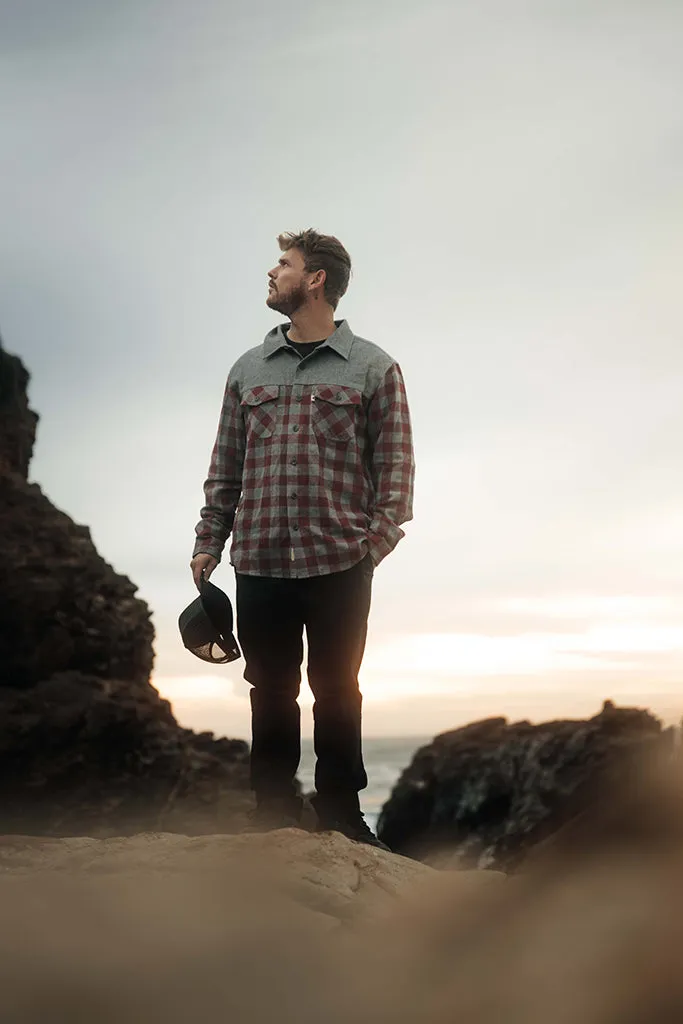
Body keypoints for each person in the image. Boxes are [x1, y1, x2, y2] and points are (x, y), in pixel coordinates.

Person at [189, 229, 415, 848]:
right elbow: (225, 464)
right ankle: (272, 810)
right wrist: (211, 539)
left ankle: (342, 811)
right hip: (258, 557)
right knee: (270, 689)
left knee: (338, 689)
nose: (272, 272)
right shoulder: (247, 369)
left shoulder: (374, 367)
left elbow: (396, 472)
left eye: (284, 265)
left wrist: (371, 546)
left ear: (315, 280)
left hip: (340, 560)